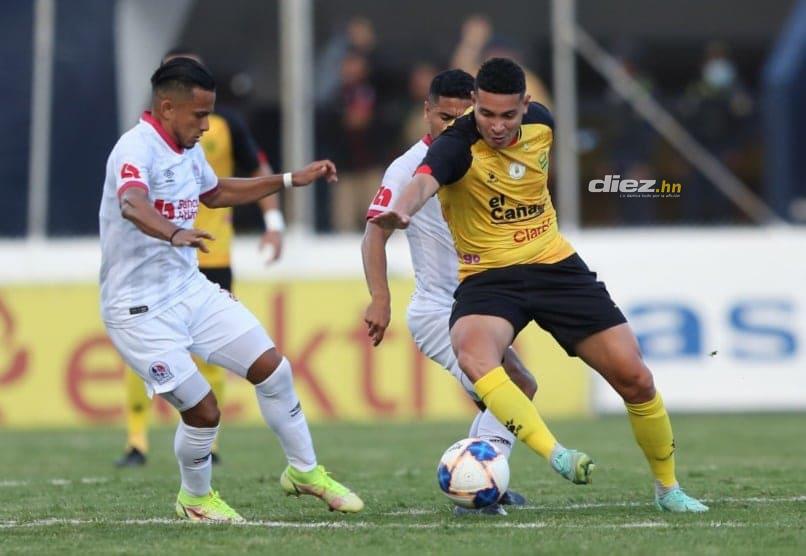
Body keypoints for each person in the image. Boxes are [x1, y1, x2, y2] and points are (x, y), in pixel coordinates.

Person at [371, 58, 708, 513]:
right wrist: (404, 210)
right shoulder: (454, 145)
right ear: (474, 106)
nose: (495, 125)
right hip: (489, 276)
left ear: (527, 106)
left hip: (554, 264)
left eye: (507, 115)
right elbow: (423, 182)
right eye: (485, 114)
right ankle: (557, 455)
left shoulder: (543, 126)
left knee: (636, 378)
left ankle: (669, 490)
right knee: (474, 353)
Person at [100, 57, 363, 521]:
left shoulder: (186, 148)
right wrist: (175, 233)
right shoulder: (134, 149)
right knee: (204, 411)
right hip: (138, 310)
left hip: (188, 289)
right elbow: (131, 203)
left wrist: (288, 180)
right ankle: (195, 500)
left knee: (274, 370)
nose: (207, 125)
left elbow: (215, 192)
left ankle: (305, 472)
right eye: (199, 115)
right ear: (166, 107)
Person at [362, 69, 592, 516]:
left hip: (480, 303)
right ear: (426, 111)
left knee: (509, 391)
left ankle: (482, 487)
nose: (451, 125)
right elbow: (374, 234)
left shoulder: (485, 152)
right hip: (439, 311)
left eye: (459, 116)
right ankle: (478, 487)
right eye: (442, 116)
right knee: (516, 386)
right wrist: (380, 298)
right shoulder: (408, 168)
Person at [116, 49, 286, 468]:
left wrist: (274, 221)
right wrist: (172, 232)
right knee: (151, 354)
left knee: (215, 354)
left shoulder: (224, 127)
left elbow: (245, 173)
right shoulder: (143, 144)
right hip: (159, 259)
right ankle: (137, 440)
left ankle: (208, 442)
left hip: (213, 251)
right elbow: (131, 200)